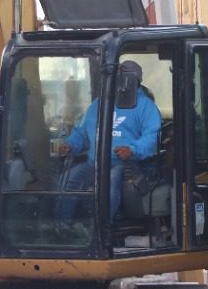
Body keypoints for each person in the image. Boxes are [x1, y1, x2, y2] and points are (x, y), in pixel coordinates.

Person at [57, 61, 160, 221]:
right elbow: (82, 132)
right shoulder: (99, 104)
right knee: (68, 180)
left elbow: (152, 137)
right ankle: (62, 226)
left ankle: (101, 229)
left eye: (124, 76)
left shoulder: (145, 107)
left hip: (123, 164)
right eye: (116, 76)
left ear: (135, 80)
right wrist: (71, 144)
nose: (119, 80)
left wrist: (132, 149)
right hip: (94, 163)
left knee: (108, 187)